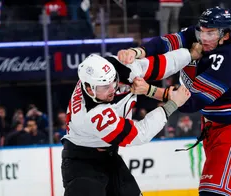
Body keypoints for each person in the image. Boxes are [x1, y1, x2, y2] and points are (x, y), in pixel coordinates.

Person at [118, 6, 231, 196]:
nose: (204, 38)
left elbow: (190, 101)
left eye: (211, 33)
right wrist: (138, 51)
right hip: (214, 133)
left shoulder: (228, 58)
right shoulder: (198, 36)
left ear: (225, 35)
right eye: (202, 31)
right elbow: (166, 42)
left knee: (212, 193)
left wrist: (149, 90)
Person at [60, 47, 202, 196]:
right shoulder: (92, 115)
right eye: (105, 86)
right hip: (81, 164)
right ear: (89, 89)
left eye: (113, 82)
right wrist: (172, 104)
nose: (112, 89)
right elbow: (139, 134)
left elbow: (156, 65)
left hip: (109, 157)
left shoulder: (111, 69)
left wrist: (190, 54)